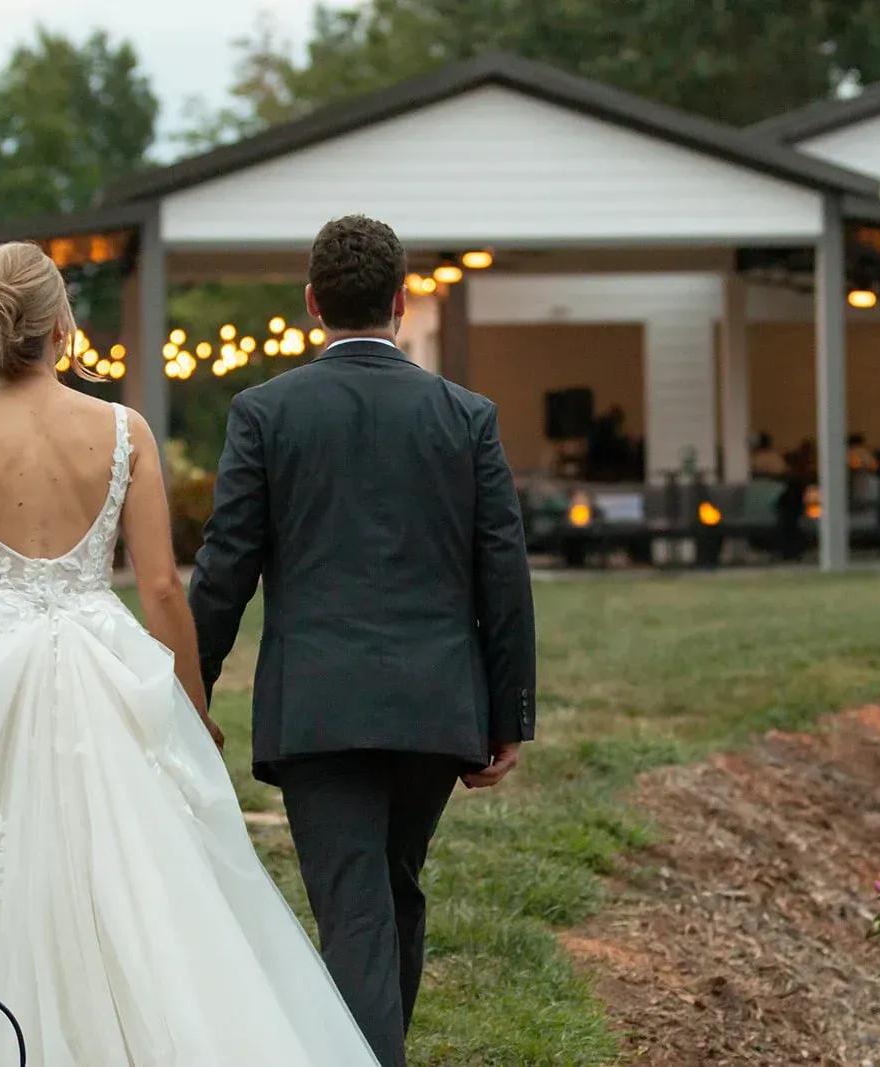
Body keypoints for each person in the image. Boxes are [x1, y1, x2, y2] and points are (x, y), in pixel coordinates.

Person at [0, 242, 381, 1067]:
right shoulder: (122, 429)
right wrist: (189, 707)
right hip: (102, 669)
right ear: (61, 327)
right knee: (135, 878)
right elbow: (159, 589)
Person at [190, 215, 537, 1067]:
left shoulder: (265, 413)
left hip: (318, 707)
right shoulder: (466, 415)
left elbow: (225, 565)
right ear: (401, 298)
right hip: (435, 702)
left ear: (312, 303)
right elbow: (504, 571)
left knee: (358, 908)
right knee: (389, 895)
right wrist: (509, 712)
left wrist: (187, 690)